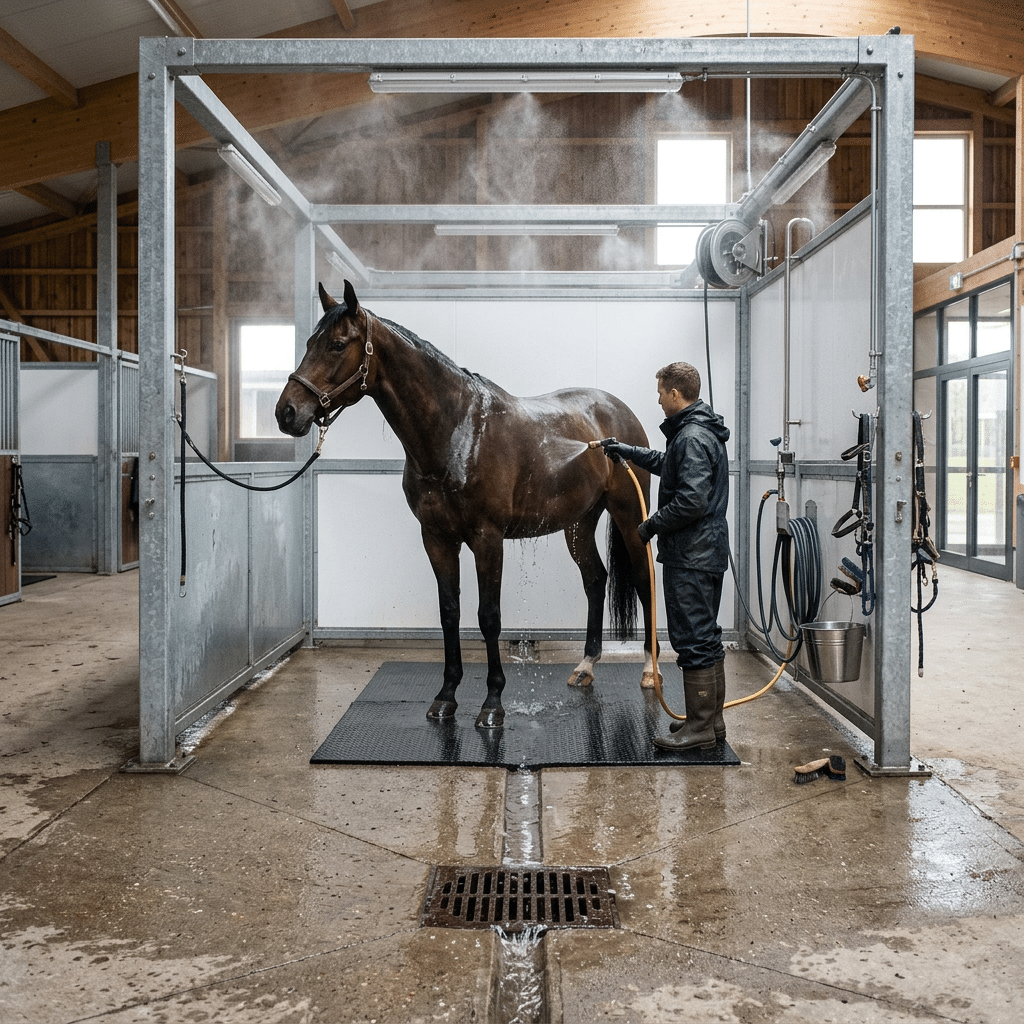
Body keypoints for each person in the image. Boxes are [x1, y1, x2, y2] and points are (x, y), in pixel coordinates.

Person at [601, 361, 730, 751]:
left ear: (675, 394)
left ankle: (701, 728)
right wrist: (628, 451)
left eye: (660, 393)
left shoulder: (691, 437)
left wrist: (649, 527)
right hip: (702, 552)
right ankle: (710, 723)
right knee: (706, 637)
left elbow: (691, 500)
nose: (657, 400)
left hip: (691, 555)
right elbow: (668, 466)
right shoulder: (696, 432)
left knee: (693, 639)